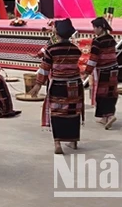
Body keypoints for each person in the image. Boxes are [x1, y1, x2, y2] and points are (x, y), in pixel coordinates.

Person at [28, 19, 84, 155]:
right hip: (75, 85)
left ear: (57, 33)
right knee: (72, 111)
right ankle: (73, 141)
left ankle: (57, 143)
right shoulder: (76, 50)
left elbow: (44, 69)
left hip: (58, 85)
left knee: (57, 112)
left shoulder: (51, 50)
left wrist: (37, 85)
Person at [88, 17, 118, 129]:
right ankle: (105, 117)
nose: (93, 30)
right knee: (111, 92)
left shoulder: (97, 42)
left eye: (95, 27)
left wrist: (87, 71)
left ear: (100, 28)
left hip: (103, 70)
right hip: (114, 69)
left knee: (102, 94)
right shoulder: (111, 39)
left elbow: (93, 59)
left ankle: (109, 116)